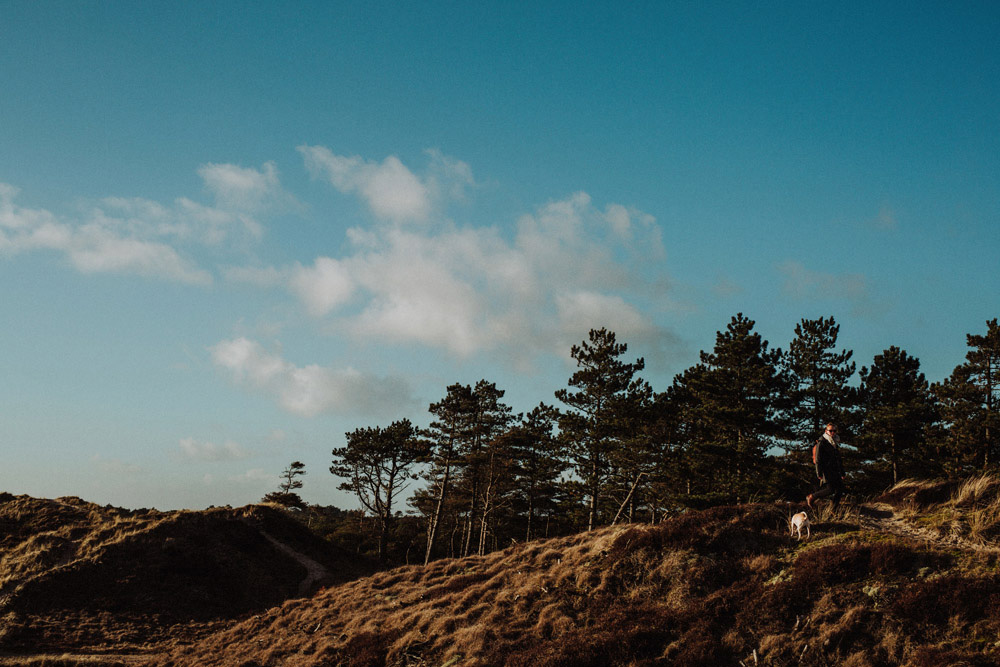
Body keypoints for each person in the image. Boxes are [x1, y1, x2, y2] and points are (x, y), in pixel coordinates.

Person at [806, 422, 845, 510]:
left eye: (834, 431)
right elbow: (818, 459)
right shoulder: (822, 442)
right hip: (826, 470)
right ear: (826, 431)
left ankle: (833, 509)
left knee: (840, 490)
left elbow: (838, 459)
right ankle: (812, 497)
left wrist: (842, 472)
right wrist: (818, 472)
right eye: (830, 431)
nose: (832, 433)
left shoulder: (834, 442)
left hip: (835, 470)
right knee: (830, 490)